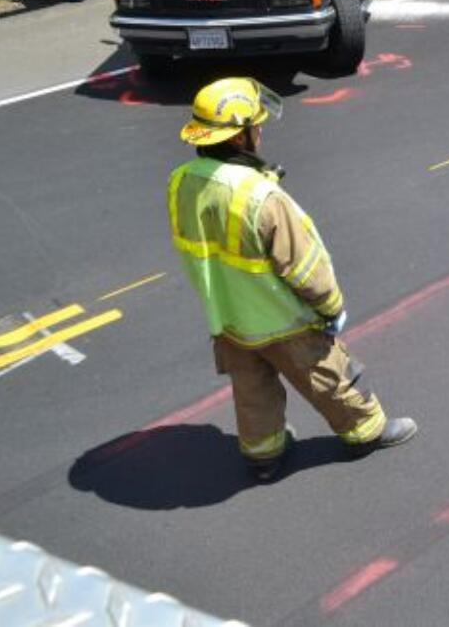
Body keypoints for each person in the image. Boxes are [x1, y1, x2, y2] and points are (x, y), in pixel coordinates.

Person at [168, 77, 417, 481]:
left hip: (228, 318)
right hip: (282, 319)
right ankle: (365, 433)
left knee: (252, 392)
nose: (261, 131)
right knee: (328, 376)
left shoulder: (181, 181)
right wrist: (331, 307)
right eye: (256, 125)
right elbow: (304, 268)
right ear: (238, 138)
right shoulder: (260, 197)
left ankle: (263, 457)